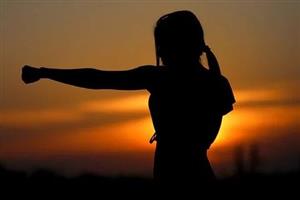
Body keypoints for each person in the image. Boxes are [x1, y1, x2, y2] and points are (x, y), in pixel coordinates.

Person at [22, 10, 235, 185]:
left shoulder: (161, 78)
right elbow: (207, 137)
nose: (160, 52)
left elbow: (98, 79)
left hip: (174, 179)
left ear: (174, 45)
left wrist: (45, 72)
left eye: (162, 44)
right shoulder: (218, 83)